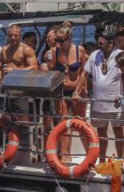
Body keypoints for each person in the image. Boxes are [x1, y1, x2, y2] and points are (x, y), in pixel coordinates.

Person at [75, 30, 123, 161]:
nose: (99, 45)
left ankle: (120, 161)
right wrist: (75, 92)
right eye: (98, 42)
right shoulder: (95, 54)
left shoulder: (120, 55)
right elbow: (84, 74)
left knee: (118, 131)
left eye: (101, 43)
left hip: (116, 102)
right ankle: (102, 160)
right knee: (101, 133)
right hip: (98, 102)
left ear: (111, 42)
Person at [47, 24, 88, 161]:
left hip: (77, 91)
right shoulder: (55, 51)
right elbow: (53, 71)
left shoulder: (79, 50)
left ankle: (90, 157)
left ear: (69, 38)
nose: (58, 43)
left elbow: (84, 73)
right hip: (61, 91)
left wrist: (78, 92)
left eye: (61, 40)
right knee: (62, 124)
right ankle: (63, 157)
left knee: (81, 124)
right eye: (57, 40)